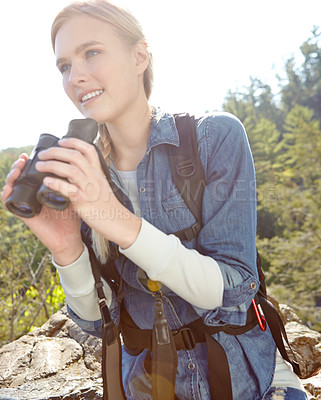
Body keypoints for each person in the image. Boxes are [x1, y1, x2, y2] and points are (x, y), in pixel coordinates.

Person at [1, 1, 309, 399]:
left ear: (139, 56)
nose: (76, 76)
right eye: (64, 66)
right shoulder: (83, 172)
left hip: (253, 382)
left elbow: (235, 291)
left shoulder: (213, 138)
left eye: (91, 52)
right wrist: (66, 248)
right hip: (148, 387)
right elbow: (100, 320)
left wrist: (117, 222)